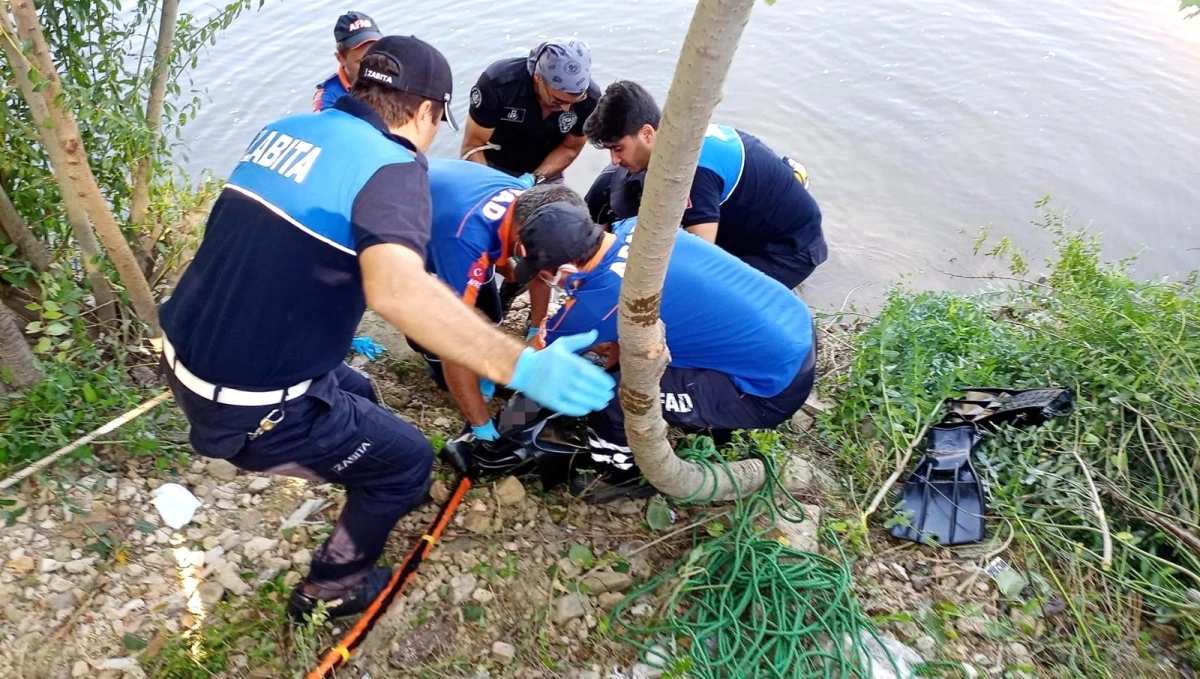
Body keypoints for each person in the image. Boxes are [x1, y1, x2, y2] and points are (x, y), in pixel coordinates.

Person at [158, 36, 614, 623]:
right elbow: (396, 291)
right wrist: (521, 365)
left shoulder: (288, 129)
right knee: (408, 466)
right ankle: (330, 590)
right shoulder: (393, 165)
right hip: (249, 403)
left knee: (365, 397)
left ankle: (359, 473)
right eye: (436, 123)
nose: (431, 142)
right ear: (426, 112)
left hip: (189, 347)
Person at [515, 194, 817, 454]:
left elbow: (536, 364)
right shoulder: (640, 226)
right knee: (631, 363)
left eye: (541, 273)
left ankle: (619, 472)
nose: (541, 280)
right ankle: (710, 419)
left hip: (769, 391)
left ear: (565, 270)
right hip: (795, 327)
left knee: (616, 396)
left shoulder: (596, 303)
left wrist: (509, 415)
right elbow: (624, 331)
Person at [583, 80, 828, 290]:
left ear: (647, 133)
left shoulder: (689, 170)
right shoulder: (677, 132)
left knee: (699, 292)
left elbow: (699, 261)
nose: (615, 160)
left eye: (618, 149)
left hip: (790, 250)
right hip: (749, 217)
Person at [460, 40, 600, 181]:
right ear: (538, 77)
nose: (566, 108)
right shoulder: (498, 85)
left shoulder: (590, 99)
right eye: (558, 100)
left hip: (546, 171)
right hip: (491, 167)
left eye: (574, 102)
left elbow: (570, 148)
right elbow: (473, 147)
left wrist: (534, 178)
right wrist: (490, 186)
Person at [312, 11, 382, 112]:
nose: (371, 67)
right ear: (341, 58)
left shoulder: (399, 74)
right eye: (361, 62)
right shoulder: (328, 99)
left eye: (376, 58)